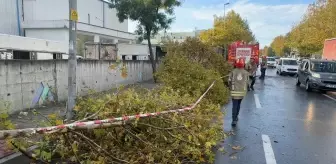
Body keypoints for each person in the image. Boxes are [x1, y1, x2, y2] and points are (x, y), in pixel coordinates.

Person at [228, 58, 250, 126]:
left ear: (236, 64)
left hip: (234, 91)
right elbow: (248, 82)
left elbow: (229, 81)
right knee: (238, 104)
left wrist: (230, 87)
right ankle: (236, 116)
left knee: (234, 105)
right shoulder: (246, 73)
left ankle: (234, 120)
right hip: (242, 92)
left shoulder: (233, 72)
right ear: (243, 64)